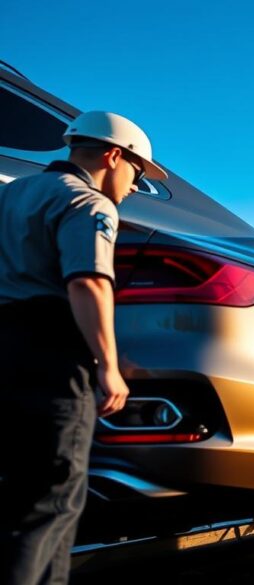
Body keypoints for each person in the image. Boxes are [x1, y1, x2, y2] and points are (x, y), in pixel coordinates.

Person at [0, 111, 168, 584]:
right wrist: (108, 366)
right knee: (49, 502)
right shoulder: (88, 203)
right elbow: (88, 283)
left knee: (13, 497)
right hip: (47, 357)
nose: (135, 186)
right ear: (114, 156)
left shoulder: (8, 194)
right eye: (137, 173)